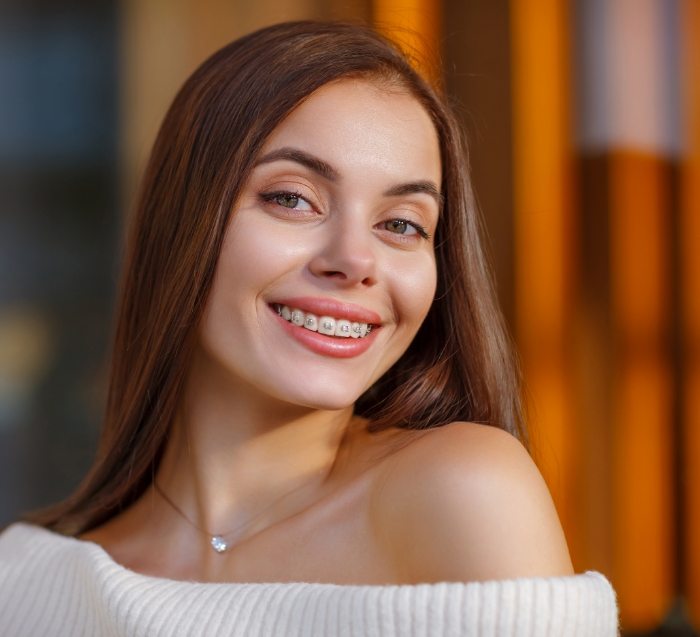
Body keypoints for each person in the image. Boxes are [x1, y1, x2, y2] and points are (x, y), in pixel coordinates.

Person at [0, 20, 618, 636]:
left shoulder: (463, 490)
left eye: (402, 224)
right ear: (180, 222)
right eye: (293, 198)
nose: (354, 261)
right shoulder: (23, 581)